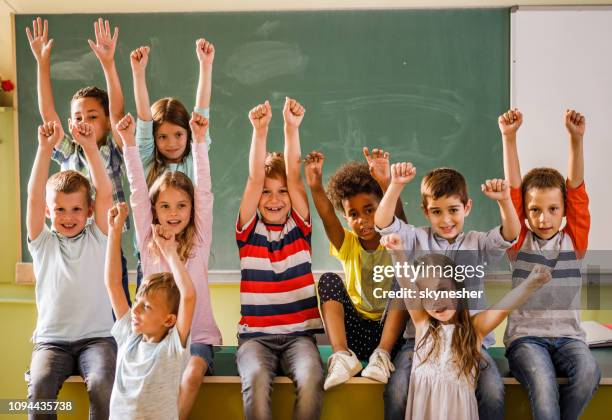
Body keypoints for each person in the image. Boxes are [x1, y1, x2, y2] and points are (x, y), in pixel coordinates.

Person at [375, 161, 520, 420]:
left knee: (493, 390)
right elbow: (383, 222)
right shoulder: (416, 239)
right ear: (425, 212)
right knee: (396, 389)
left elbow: (510, 234)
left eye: (453, 210)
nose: (446, 220)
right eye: (436, 212)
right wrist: (395, 185)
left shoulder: (476, 242)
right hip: (420, 341)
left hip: (470, 342)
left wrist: (504, 201)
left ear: (467, 207)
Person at [116, 112, 221, 420]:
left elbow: (204, 193)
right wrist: (128, 144)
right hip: (155, 341)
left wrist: (199, 143)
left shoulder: (199, 240)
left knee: (188, 378)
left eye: (181, 206)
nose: (173, 213)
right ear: (155, 210)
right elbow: (137, 193)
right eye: (164, 206)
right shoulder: (149, 241)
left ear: (191, 209)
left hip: (197, 339)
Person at [381, 234, 551, 420]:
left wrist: (530, 284)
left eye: (442, 290)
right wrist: (397, 253)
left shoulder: (474, 329)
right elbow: (406, 284)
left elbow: (503, 308)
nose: (436, 300)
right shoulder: (423, 326)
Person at [499, 107, 600, 419]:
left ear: (564, 211)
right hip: (526, 340)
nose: (544, 218)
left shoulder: (574, 240)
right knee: (544, 390)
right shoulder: (517, 241)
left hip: (569, 338)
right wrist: (509, 137)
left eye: (553, 209)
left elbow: (576, 190)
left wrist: (575, 139)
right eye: (535, 210)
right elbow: (514, 190)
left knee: (588, 374)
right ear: (526, 214)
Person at [26, 16, 131, 305]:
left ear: (106, 123)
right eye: (78, 117)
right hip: (70, 249)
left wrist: (109, 65)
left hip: (105, 246)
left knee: (114, 315)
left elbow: (119, 113)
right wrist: (42, 63)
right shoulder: (69, 151)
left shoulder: (112, 149)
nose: (84, 122)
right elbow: (49, 116)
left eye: (93, 117)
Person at [235, 98, 324, 420]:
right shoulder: (248, 231)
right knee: (256, 379)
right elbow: (253, 179)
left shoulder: (299, 228)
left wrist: (291, 128)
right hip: (254, 339)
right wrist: (259, 132)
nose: (274, 199)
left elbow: (296, 178)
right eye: (267, 192)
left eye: (282, 191)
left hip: (299, 337)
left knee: (313, 376)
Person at [26, 120, 115, 419]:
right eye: (60, 209)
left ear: (88, 211)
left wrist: (90, 148)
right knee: (39, 388)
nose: (68, 216)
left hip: (98, 339)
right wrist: (43, 149)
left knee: (104, 386)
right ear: (49, 212)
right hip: (52, 342)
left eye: (76, 208)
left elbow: (104, 193)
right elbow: (34, 197)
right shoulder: (43, 243)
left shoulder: (98, 237)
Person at [304, 148, 407, 388]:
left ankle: (381, 357)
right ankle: (341, 356)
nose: (362, 220)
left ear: (383, 206)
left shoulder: (394, 238)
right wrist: (316, 186)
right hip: (356, 334)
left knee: (404, 277)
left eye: (369, 210)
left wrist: (385, 182)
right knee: (328, 279)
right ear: (346, 218)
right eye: (353, 214)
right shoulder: (347, 243)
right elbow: (327, 215)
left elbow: (399, 215)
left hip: (390, 335)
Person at [105, 202, 195, 420]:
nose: (134, 309)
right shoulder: (130, 336)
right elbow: (114, 284)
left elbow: (189, 296)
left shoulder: (173, 348)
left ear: (170, 319)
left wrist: (169, 251)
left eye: (146, 306)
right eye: (137, 301)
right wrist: (114, 232)